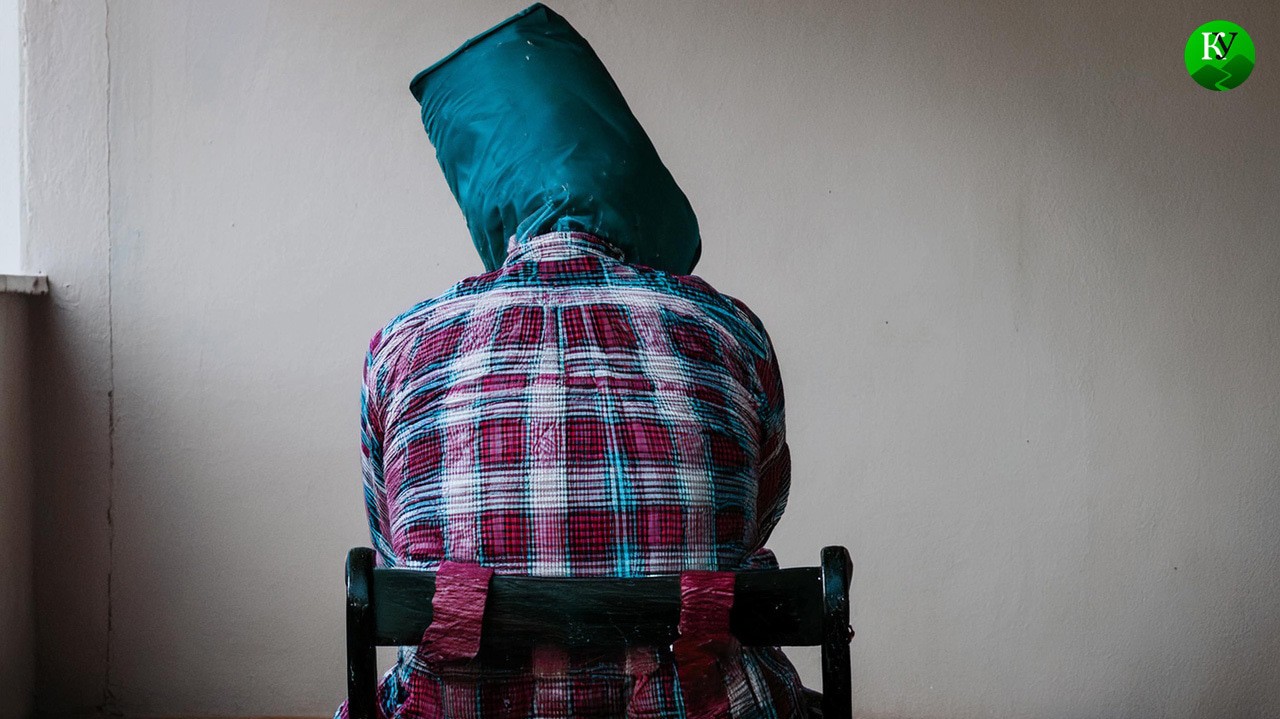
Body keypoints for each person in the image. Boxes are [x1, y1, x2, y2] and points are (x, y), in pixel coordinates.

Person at [334, 5, 804, 718]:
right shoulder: (729, 331)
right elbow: (754, 522)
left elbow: (397, 555)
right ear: (627, 179)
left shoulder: (400, 348)